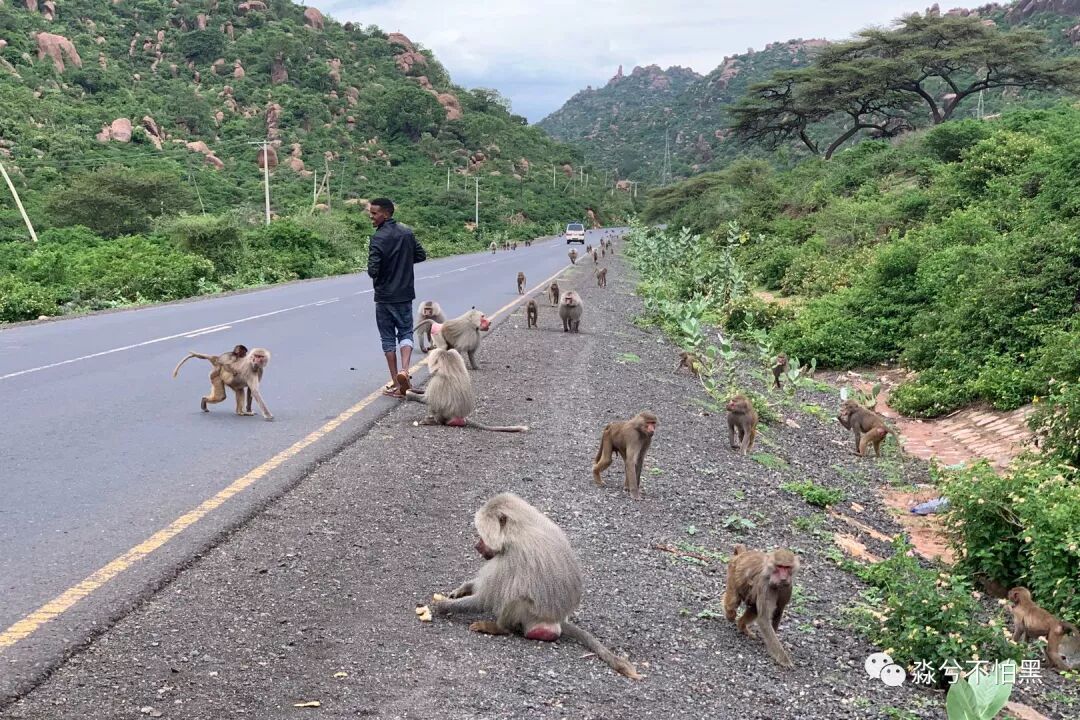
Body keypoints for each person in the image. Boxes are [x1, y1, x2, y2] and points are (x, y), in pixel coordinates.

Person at [366, 198, 426, 397]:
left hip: (384, 296)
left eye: (374, 213)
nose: (371, 216)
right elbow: (420, 255)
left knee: (387, 338)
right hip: (405, 294)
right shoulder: (407, 232)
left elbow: (373, 271)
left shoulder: (378, 238)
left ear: (385, 214)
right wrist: (402, 262)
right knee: (406, 332)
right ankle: (405, 371)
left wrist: (384, 268)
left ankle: (396, 382)